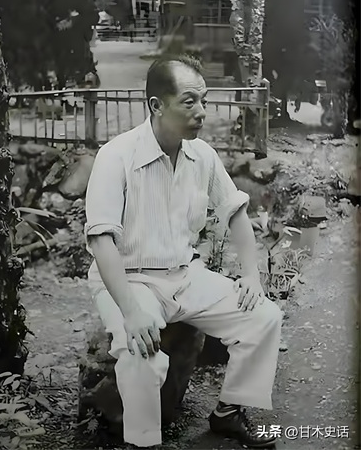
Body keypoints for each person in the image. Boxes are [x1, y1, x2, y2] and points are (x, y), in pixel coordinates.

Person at [84, 54, 282, 449]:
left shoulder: (201, 155)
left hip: (185, 276)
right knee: (141, 352)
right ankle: (143, 442)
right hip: (130, 279)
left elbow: (235, 212)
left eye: (204, 101)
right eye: (189, 101)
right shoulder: (116, 156)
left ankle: (228, 412)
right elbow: (102, 240)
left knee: (263, 316)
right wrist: (131, 311)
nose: (202, 112)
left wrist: (250, 274)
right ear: (156, 105)